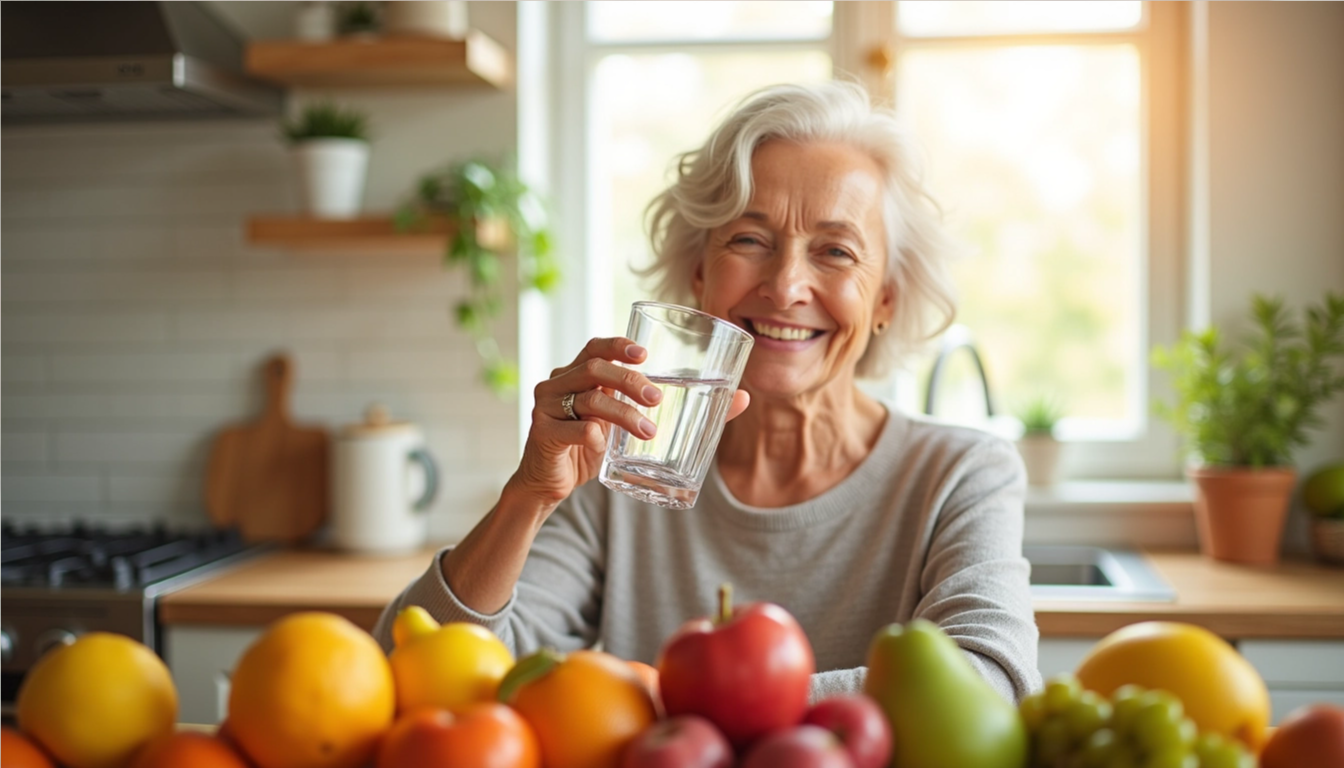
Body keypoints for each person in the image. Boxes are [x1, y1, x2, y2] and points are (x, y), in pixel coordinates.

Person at [372, 81, 1040, 703]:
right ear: (700, 276)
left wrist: (685, 700)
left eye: (834, 252)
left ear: (886, 298)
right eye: (750, 240)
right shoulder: (624, 472)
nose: (785, 287)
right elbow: (417, 677)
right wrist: (528, 496)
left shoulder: (960, 474)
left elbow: (988, 684)